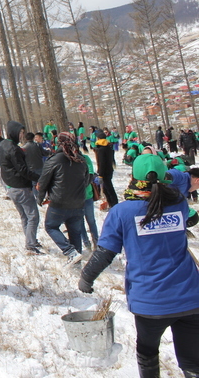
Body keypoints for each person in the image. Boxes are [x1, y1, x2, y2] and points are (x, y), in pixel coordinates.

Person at [79, 154, 199, 377]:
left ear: (134, 177)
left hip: (150, 300)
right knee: (193, 361)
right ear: (165, 177)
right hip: (191, 296)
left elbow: (105, 253)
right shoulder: (180, 204)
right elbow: (182, 200)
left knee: (147, 352)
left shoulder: (122, 212)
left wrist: (86, 278)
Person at [37, 132, 90, 263]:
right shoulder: (81, 160)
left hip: (59, 203)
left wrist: (40, 198)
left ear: (60, 143)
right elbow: (87, 181)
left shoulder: (55, 159)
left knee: (51, 226)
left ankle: (70, 252)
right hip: (78, 203)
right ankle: (76, 261)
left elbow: (43, 181)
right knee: (75, 233)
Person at [0, 121, 42, 254]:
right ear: (14, 132)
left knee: (24, 216)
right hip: (20, 187)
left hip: (10, 187)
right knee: (33, 216)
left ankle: (31, 240)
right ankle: (30, 244)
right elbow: (23, 170)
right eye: (21, 132)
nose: (22, 135)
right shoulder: (13, 149)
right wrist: (39, 178)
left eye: (23, 133)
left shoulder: (3, 144)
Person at [94, 130, 118, 209]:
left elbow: (102, 163)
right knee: (106, 188)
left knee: (108, 188)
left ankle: (114, 204)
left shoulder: (101, 150)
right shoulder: (108, 146)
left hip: (104, 172)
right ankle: (111, 203)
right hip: (109, 170)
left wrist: (100, 175)